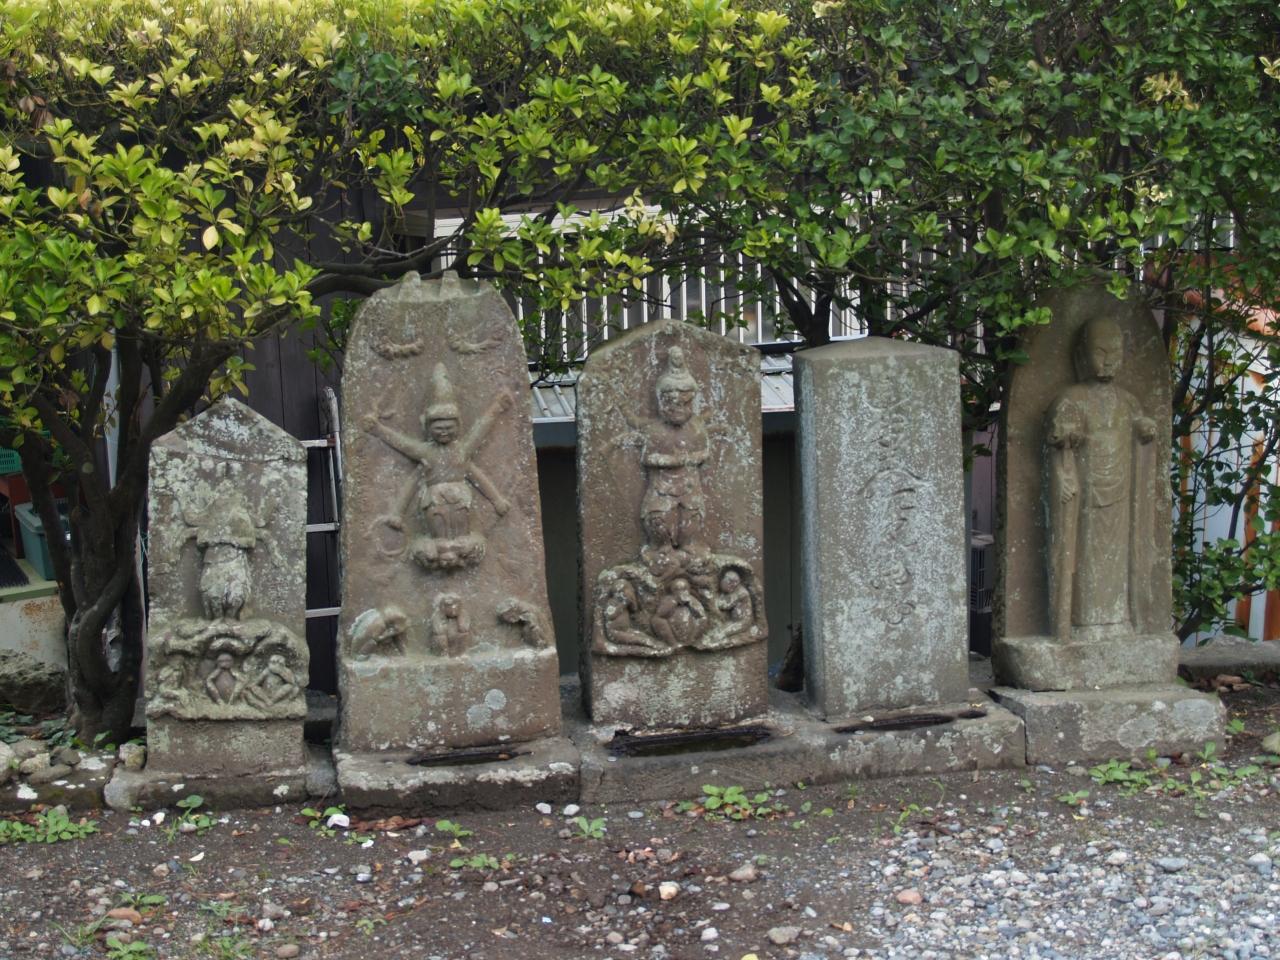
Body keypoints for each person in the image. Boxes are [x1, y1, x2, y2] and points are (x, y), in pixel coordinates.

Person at [1046, 316, 1157, 640]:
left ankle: (1118, 619)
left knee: (1117, 558)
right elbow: (1059, 436)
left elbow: (1139, 426)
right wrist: (1067, 434)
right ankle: (1081, 622)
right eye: (1100, 352)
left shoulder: (1128, 401)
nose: (1108, 360)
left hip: (1120, 496)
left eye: (1115, 352)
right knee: (1085, 557)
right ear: (1082, 355)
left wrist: (1144, 429)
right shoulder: (1072, 398)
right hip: (1087, 497)